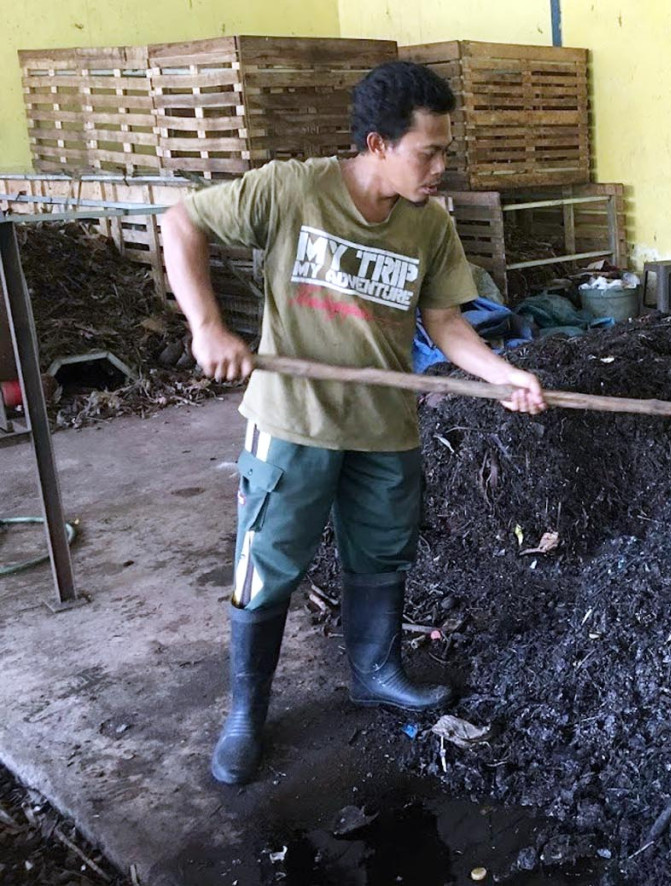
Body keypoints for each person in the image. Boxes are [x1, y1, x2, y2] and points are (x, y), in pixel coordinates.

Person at [161, 61, 546, 786]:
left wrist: (502, 376)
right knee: (268, 565)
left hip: (384, 427)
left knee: (380, 555)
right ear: (376, 145)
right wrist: (206, 327)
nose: (440, 168)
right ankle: (246, 714)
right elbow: (182, 220)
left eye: (444, 152)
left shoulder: (429, 224)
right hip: (292, 422)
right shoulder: (292, 189)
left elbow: (443, 320)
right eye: (426, 152)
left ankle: (375, 670)